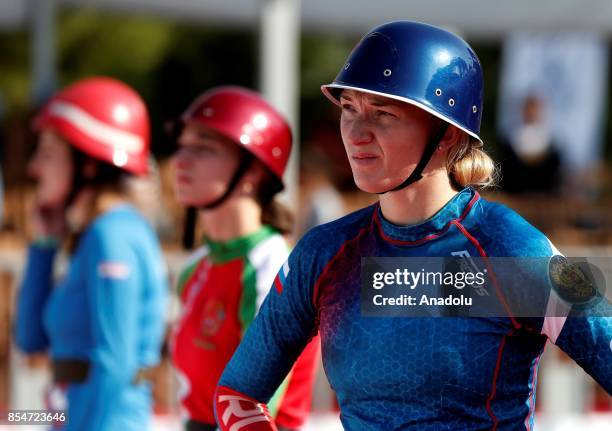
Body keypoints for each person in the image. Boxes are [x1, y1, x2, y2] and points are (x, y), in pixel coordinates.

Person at [214, 21, 612, 430]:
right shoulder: (324, 252)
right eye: (349, 108)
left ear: (447, 135)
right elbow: (238, 397)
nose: (355, 133)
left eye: (383, 114)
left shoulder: (515, 248)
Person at [14, 77, 168, 430]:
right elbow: (30, 339)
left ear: (88, 164)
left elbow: (115, 365)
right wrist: (44, 245)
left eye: (48, 153)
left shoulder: (111, 234)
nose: (34, 167)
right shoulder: (94, 235)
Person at [170, 87, 319, 431]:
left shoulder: (272, 267)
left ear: (253, 170)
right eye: (182, 145)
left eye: (203, 148)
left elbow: (254, 411)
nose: (180, 160)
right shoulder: (199, 264)